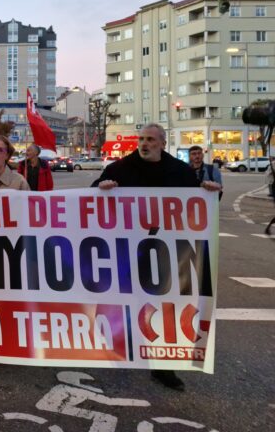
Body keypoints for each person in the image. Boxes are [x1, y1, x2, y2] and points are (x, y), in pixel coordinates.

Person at [93, 123, 221, 392]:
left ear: (162, 143)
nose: (144, 144)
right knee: (126, 302)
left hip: (165, 253)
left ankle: (163, 366)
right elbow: (91, 196)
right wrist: (101, 186)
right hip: (127, 251)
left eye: (151, 139)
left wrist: (211, 192)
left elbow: (198, 204)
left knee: (163, 307)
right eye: (141, 139)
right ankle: (122, 349)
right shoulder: (119, 169)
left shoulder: (179, 171)